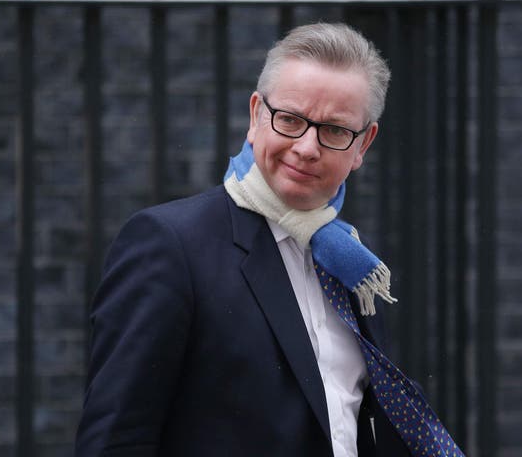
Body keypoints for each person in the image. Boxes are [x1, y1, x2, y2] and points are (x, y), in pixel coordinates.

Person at [76, 23, 461, 457]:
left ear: (363, 145)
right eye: (290, 119)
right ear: (256, 115)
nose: (307, 147)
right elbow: (115, 440)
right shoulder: (170, 246)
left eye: (335, 130)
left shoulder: (350, 259)